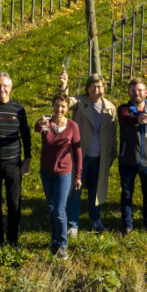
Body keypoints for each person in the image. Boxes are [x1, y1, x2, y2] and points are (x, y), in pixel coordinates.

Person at [60, 71, 117, 236]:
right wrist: (64, 86)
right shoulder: (80, 102)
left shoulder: (110, 108)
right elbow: (65, 102)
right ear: (87, 89)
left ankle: (95, 219)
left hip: (100, 157)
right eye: (92, 86)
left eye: (99, 86)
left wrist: (112, 155)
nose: (96, 89)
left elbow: (113, 135)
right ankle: (73, 225)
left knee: (96, 190)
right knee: (75, 190)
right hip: (80, 156)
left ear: (104, 88)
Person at [0, 72, 32, 249]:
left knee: (14, 202)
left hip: (13, 163)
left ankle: (13, 239)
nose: (1, 89)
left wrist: (27, 158)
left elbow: (25, 134)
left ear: (10, 87)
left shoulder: (18, 108)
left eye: (4, 85)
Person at [34, 92, 82, 260]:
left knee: (60, 210)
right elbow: (37, 128)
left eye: (62, 106)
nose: (59, 109)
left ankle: (62, 244)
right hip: (46, 172)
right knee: (51, 207)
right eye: (56, 105)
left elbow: (77, 152)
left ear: (67, 108)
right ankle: (54, 239)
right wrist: (39, 124)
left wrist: (78, 176)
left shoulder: (72, 126)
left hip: (63, 174)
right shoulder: (46, 122)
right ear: (52, 105)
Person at [117, 77, 147, 237]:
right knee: (126, 194)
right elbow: (124, 119)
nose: (136, 93)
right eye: (133, 90)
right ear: (129, 92)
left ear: (146, 92)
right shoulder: (124, 109)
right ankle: (127, 225)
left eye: (139, 90)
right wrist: (137, 119)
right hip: (128, 161)